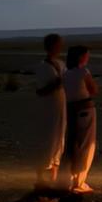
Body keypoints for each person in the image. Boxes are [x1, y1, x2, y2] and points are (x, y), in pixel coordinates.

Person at [63, 45, 99, 193]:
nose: (88, 58)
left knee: (74, 145)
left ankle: (70, 180)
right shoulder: (83, 72)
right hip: (85, 110)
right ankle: (79, 182)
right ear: (81, 57)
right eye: (86, 55)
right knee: (86, 145)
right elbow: (94, 90)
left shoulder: (65, 73)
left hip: (71, 110)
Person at [34, 33, 66, 189]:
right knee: (47, 140)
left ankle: (53, 178)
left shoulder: (60, 64)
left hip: (61, 108)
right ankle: (40, 178)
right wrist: (59, 83)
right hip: (48, 109)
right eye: (58, 44)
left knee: (59, 140)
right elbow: (40, 91)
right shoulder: (42, 67)